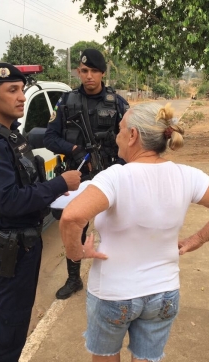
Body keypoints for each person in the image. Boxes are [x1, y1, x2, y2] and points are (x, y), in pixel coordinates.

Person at [59, 102, 209, 362]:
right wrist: (196, 240)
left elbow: (72, 217)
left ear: (133, 135)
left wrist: (76, 253)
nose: (116, 136)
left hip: (114, 293)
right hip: (163, 294)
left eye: (120, 129)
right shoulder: (186, 176)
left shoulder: (115, 177)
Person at [0, 63, 81, 362]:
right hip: (12, 243)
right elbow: (8, 201)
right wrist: (58, 184)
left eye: (21, 90)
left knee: (17, 318)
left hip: (26, 240)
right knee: (10, 321)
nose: (21, 97)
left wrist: (56, 192)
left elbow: (26, 185)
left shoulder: (11, 136)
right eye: (12, 90)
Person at [44, 48, 130, 300]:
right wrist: (73, 149)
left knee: (115, 226)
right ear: (78, 72)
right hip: (78, 173)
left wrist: (124, 168)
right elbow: (49, 136)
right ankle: (73, 279)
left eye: (94, 71)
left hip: (112, 172)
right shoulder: (66, 102)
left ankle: (117, 277)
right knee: (75, 224)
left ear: (103, 73)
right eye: (84, 71)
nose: (89, 76)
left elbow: (133, 138)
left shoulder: (117, 103)